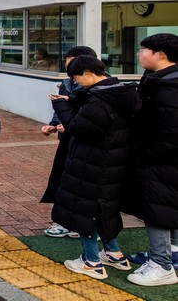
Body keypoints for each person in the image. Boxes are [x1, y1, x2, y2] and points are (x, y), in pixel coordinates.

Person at [52, 55, 137, 280]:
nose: (76, 82)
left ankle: (91, 261)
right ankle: (115, 254)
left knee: (84, 211)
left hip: (91, 163)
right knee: (104, 209)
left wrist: (61, 105)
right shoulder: (120, 92)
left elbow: (78, 127)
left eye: (77, 77)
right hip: (112, 162)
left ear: (89, 72)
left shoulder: (100, 101)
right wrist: (73, 100)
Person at [124, 33, 178, 287]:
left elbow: (170, 132)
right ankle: (172, 254)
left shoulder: (169, 86)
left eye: (143, 49)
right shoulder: (157, 79)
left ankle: (161, 265)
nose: (139, 54)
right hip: (159, 159)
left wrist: (144, 155)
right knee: (167, 206)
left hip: (160, 160)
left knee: (156, 209)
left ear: (161, 54)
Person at [40, 46, 99, 239]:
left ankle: (86, 229)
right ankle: (66, 222)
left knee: (82, 184)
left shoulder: (97, 87)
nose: (67, 64)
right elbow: (61, 109)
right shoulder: (67, 83)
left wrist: (72, 124)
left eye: (70, 60)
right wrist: (54, 124)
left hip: (88, 144)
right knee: (65, 179)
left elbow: (92, 115)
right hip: (68, 141)